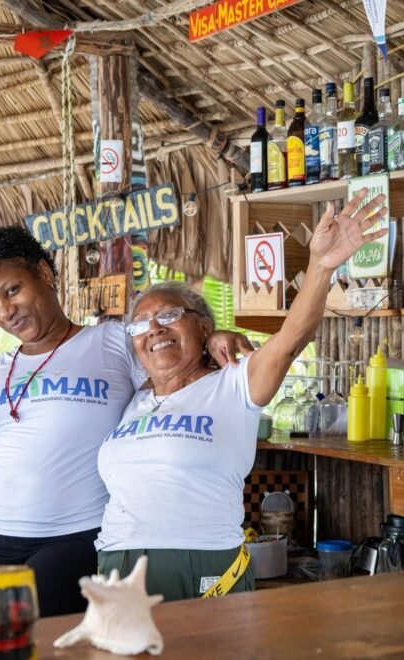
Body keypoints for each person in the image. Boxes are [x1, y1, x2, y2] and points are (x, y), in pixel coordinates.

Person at [0, 225, 252, 617]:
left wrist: (216, 336)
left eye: (12, 290)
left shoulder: (113, 343)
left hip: (73, 539)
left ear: (45, 274)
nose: (6, 311)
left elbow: (174, 355)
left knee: (50, 644)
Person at [96, 189, 388, 601]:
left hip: (201, 563)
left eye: (169, 316)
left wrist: (321, 266)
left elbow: (290, 340)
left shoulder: (234, 383)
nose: (154, 330)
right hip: (118, 563)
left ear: (202, 328)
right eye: (141, 325)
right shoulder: (132, 397)